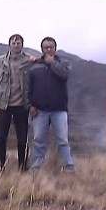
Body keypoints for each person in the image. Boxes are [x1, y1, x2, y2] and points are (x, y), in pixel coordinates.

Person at [27, 36, 75, 173]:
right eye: (46, 48)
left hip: (59, 109)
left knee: (62, 140)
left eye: (51, 47)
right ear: (41, 49)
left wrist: (51, 63)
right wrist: (30, 105)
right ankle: (36, 167)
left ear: (55, 48)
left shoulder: (63, 63)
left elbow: (64, 75)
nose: (48, 50)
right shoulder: (35, 66)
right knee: (38, 140)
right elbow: (29, 88)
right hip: (39, 110)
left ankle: (69, 166)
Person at [0, 34, 35, 172]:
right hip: (4, 105)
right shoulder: (1, 61)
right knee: (1, 138)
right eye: (14, 43)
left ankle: (23, 168)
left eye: (19, 43)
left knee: (22, 139)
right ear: (9, 44)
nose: (16, 45)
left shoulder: (28, 60)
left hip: (22, 105)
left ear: (22, 45)